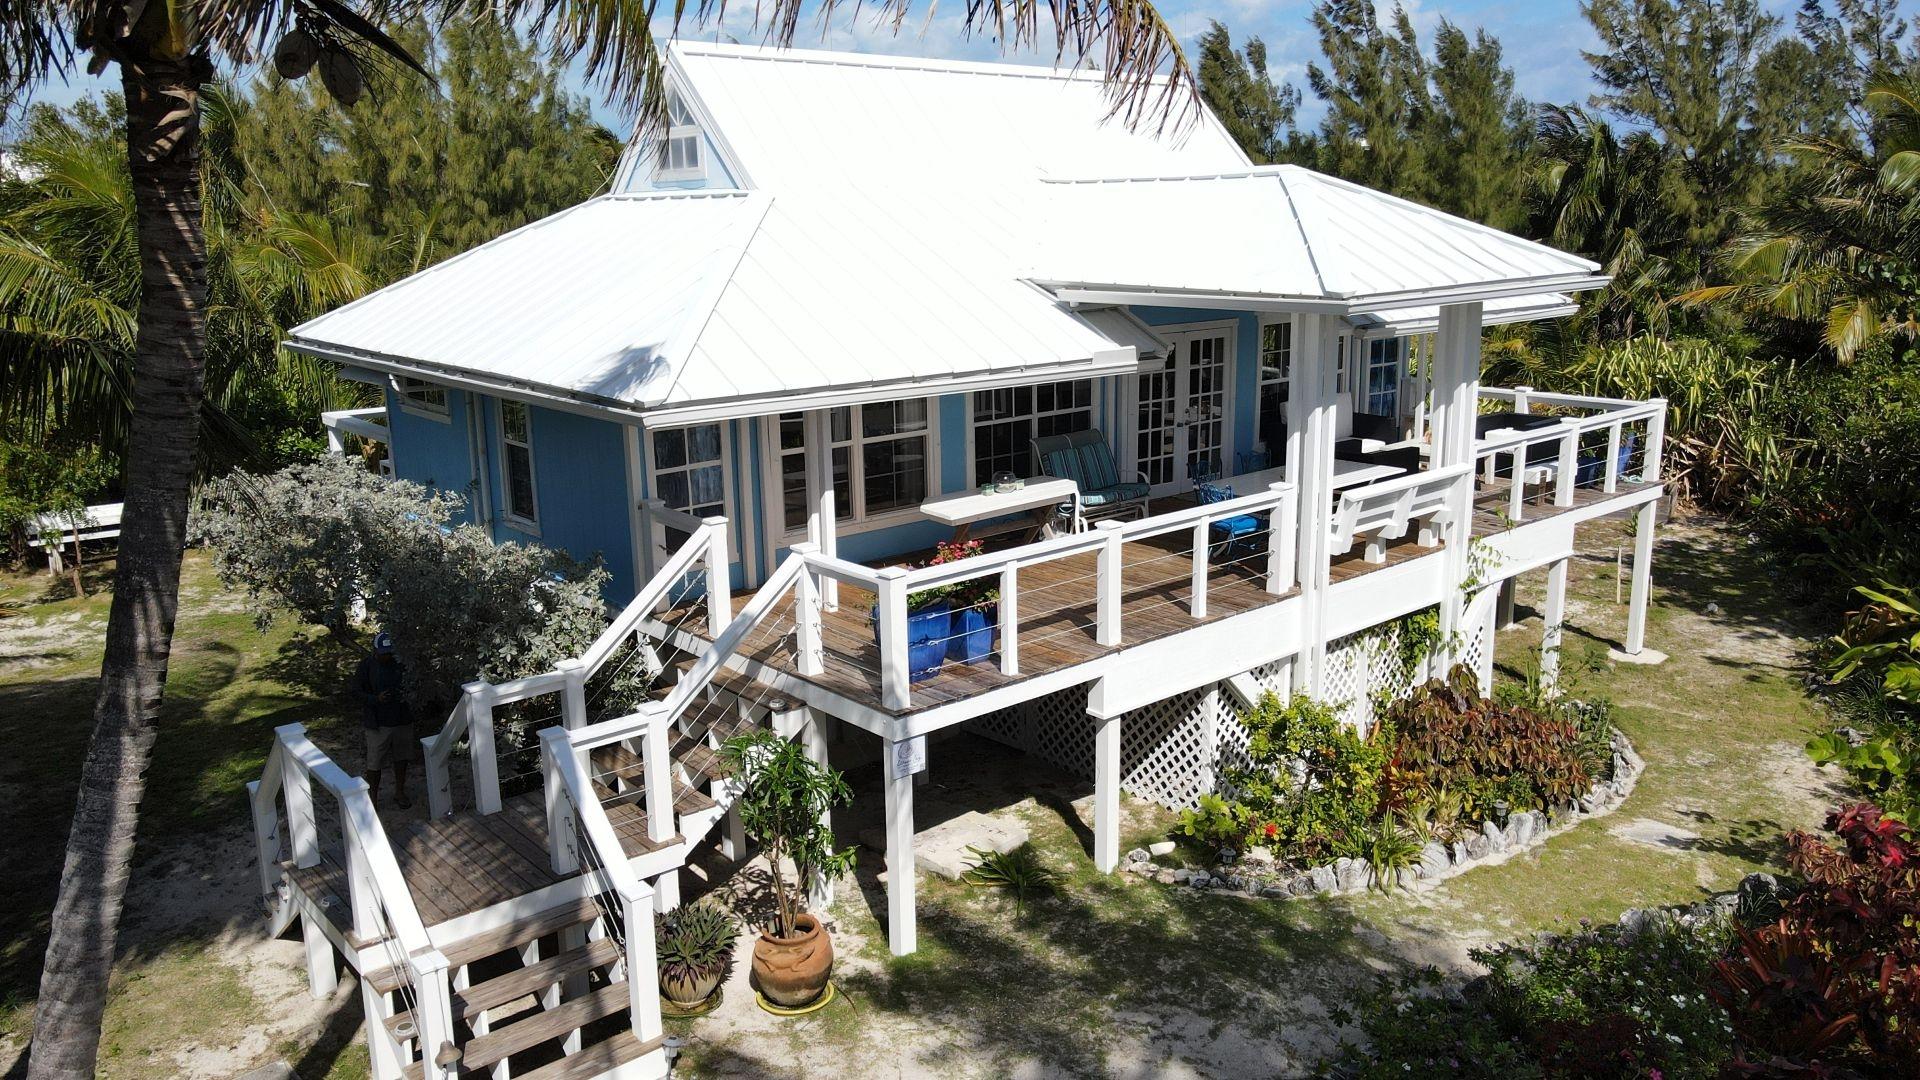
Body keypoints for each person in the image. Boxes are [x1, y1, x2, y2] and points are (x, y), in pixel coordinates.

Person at [354, 631, 416, 809]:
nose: (386, 656)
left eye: (389, 653)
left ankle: (400, 792)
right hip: (377, 723)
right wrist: (375, 699)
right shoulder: (366, 666)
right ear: (375, 651)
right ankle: (373, 799)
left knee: (402, 757)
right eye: (383, 653)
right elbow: (356, 691)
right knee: (374, 762)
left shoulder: (401, 663)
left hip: (402, 718)